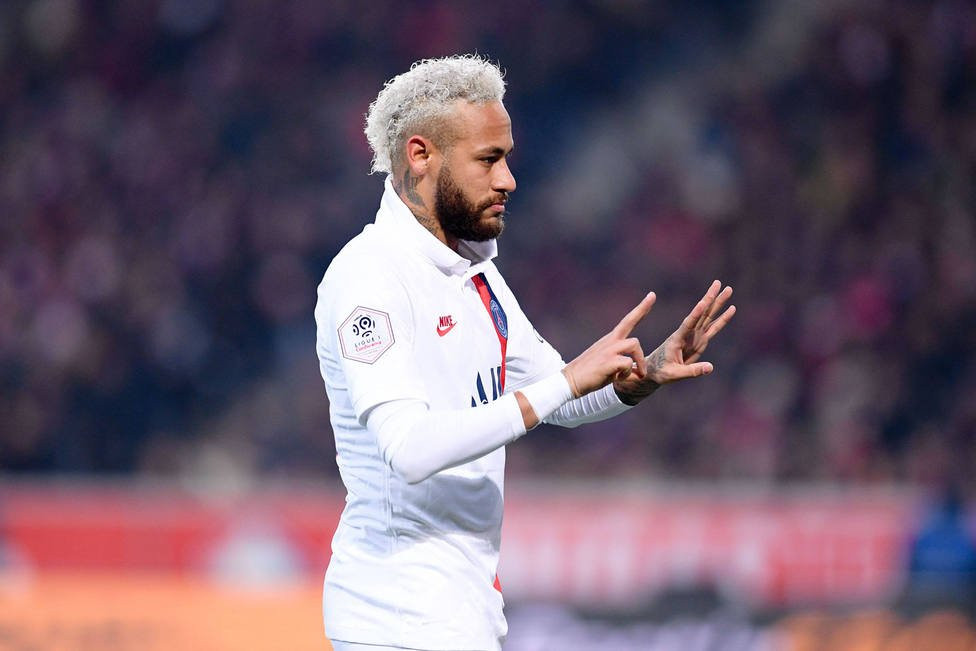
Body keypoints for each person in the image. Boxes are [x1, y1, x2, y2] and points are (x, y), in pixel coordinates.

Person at [314, 54, 735, 651]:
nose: (508, 179)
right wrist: (564, 383)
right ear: (420, 155)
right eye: (488, 160)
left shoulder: (474, 274)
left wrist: (638, 379)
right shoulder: (370, 277)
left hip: (458, 609)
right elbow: (407, 450)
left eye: (506, 157)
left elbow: (563, 399)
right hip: (398, 613)